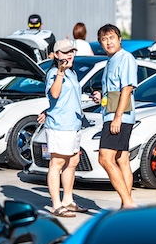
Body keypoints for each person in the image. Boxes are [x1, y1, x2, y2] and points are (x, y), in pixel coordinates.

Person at [90, 24, 137, 209]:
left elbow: (127, 88)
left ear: (119, 39)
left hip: (119, 116)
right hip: (111, 112)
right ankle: (127, 206)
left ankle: (128, 202)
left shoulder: (125, 58)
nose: (108, 42)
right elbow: (113, 90)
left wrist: (117, 117)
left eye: (111, 37)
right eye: (104, 39)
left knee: (104, 158)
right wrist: (101, 96)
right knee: (121, 160)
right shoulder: (110, 61)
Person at [42, 38, 88, 218]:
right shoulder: (54, 73)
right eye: (65, 52)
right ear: (56, 55)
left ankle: (68, 200)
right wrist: (60, 72)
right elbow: (54, 94)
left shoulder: (73, 72)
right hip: (60, 125)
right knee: (57, 163)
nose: (69, 55)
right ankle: (56, 205)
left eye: (71, 52)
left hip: (74, 124)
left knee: (73, 161)